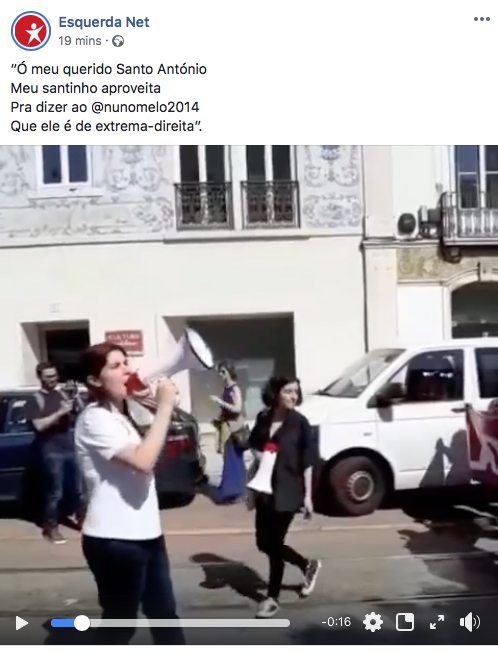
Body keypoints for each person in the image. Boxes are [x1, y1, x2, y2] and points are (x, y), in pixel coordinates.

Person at [74, 342, 185, 645]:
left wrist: (153, 404)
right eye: (116, 366)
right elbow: (144, 460)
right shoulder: (94, 419)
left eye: (126, 362)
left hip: (147, 533)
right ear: (95, 380)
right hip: (114, 540)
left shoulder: (122, 415)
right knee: (120, 626)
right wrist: (163, 406)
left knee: (164, 615)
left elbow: (162, 435)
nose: (128, 370)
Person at [248, 375, 321, 618]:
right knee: (263, 543)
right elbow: (254, 446)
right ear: (276, 393)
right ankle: (307, 565)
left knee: (274, 544)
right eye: (288, 391)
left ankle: (272, 598)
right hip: (264, 490)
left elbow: (308, 461)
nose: (293, 396)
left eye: (296, 392)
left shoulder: (301, 423)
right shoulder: (263, 418)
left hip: (289, 491)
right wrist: (255, 473)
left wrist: (308, 497)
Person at [25, 362, 84, 544]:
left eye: (55, 375)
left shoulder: (62, 394)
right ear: (40, 377)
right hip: (50, 451)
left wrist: (76, 397)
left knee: (78, 489)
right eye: (49, 376)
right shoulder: (34, 400)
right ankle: (50, 527)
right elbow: (38, 426)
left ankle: (83, 521)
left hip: (69, 447)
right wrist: (60, 412)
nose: (53, 379)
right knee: (55, 492)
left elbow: (81, 413)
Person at [210, 362, 247, 503]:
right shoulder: (226, 388)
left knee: (234, 460)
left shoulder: (235, 389)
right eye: (220, 372)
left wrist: (220, 402)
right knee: (230, 459)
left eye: (223, 372)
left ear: (230, 372)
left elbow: (237, 408)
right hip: (227, 428)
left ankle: (236, 491)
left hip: (234, 429)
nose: (221, 375)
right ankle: (234, 491)